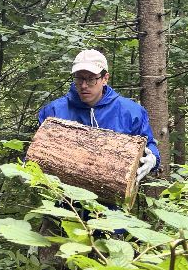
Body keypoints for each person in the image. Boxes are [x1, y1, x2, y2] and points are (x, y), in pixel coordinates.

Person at [36, 49, 160, 181]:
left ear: (105, 78)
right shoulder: (53, 112)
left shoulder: (131, 112)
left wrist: (152, 158)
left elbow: (148, 144)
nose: (84, 85)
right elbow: (39, 151)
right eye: (79, 78)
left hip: (114, 194)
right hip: (65, 196)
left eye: (91, 79)